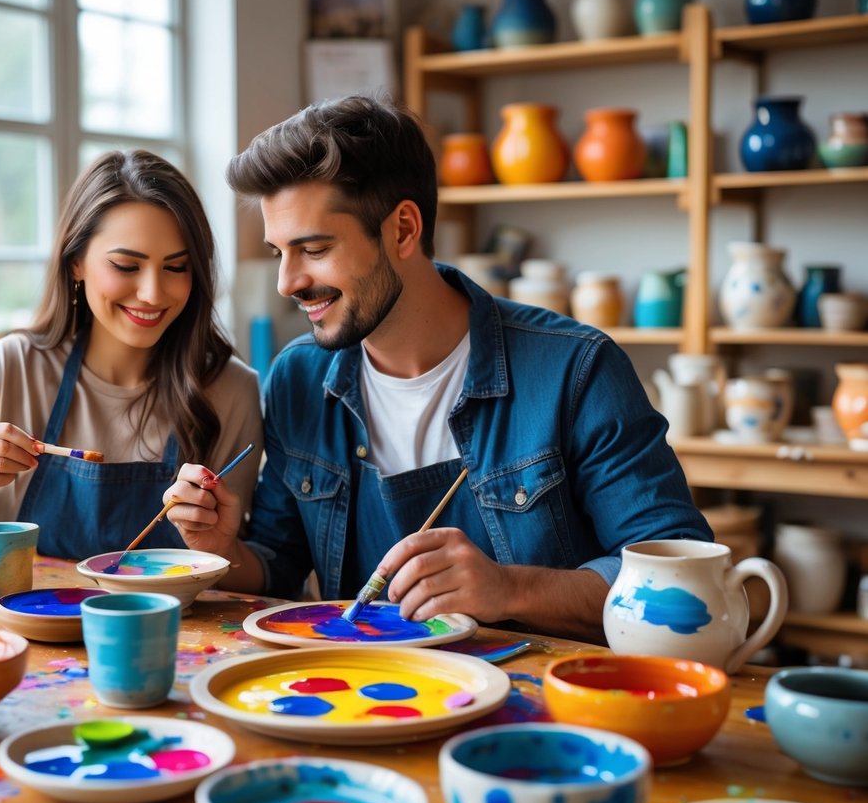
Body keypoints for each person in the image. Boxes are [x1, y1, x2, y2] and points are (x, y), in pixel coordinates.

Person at [162, 96, 711, 643]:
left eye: (314, 248)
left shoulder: (577, 369)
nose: (288, 282)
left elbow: (680, 585)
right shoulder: (299, 379)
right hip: (373, 699)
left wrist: (509, 589)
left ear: (402, 230)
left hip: (544, 708)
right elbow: (279, 567)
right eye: (279, 251)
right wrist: (224, 549)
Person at [0, 150, 263, 559]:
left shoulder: (231, 390)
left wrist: (222, 545)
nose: (152, 293)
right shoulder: (13, 368)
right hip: (25, 622)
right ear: (76, 263)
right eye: (126, 265)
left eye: (176, 267)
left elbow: (252, 569)